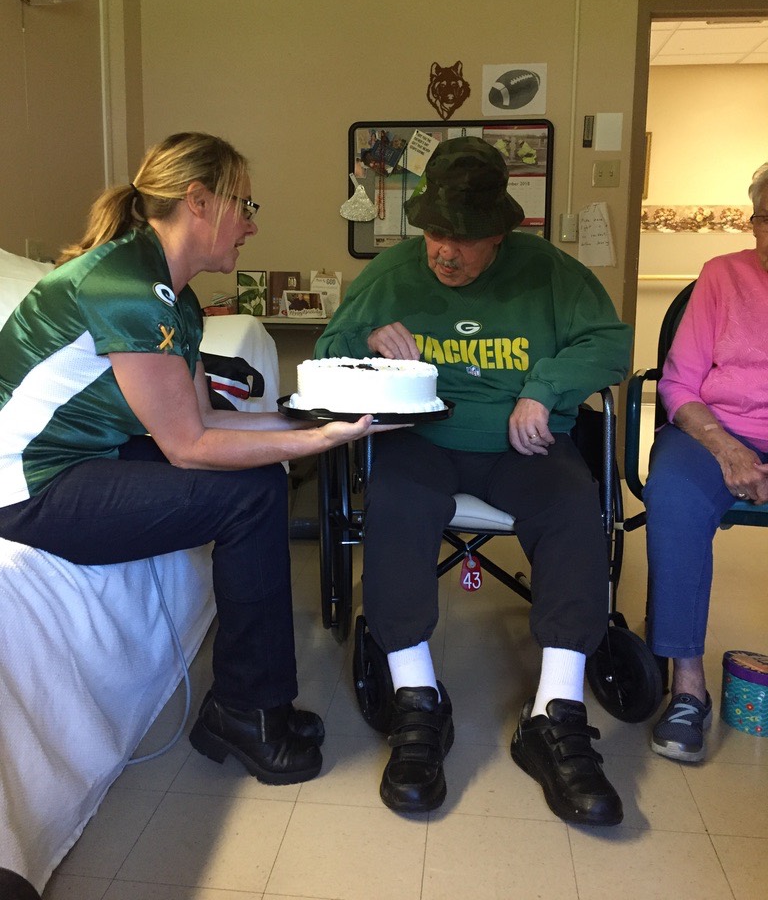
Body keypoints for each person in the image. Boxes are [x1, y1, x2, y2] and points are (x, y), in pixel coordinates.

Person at [0, 131, 392, 787]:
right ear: (199, 201)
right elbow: (190, 448)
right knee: (252, 492)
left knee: (259, 478)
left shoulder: (171, 296)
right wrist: (318, 444)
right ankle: (245, 710)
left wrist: (317, 417)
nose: (252, 225)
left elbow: (207, 417)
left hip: (75, 458)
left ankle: (246, 704)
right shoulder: (123, 285)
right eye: (246, 206)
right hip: (26, 483)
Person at [315, 137, 633, 824]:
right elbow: (328, 349)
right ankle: (416, 696)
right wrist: (366, 343)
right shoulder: (394, 271)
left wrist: (543, 391)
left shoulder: (549, 271)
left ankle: (555, 710)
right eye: (434, 234)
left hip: (521, 444)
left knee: (575, 507)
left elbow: (608, 343)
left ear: (501, 233)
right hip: (421, 439)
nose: (444, 253)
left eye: (464, 239)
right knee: (394, 505)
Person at [643, 161, 768, 763]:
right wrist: (727, 446)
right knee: (673, 496)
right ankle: (687, 687)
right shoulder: (723, 275)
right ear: (753, 222)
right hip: (713, 430)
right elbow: (678, 384)